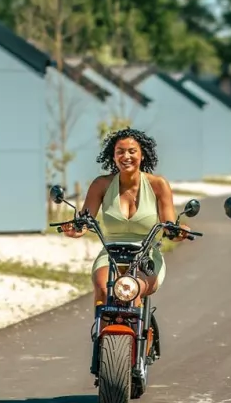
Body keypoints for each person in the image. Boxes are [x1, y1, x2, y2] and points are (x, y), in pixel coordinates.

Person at [61, 128, 186, 306]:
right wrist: (74, 229)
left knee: (130, 289)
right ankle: (102, 334)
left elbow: (169, 225)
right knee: (103, 291)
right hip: (111, 253)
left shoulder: (158, 185)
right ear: (113, 157)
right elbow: (84, 222)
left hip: (145, 255)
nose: (126, 156)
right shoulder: (101, 185)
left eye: (132, 151)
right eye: (120, 152)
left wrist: (178, 231)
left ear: (142, 155)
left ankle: (136, 333)